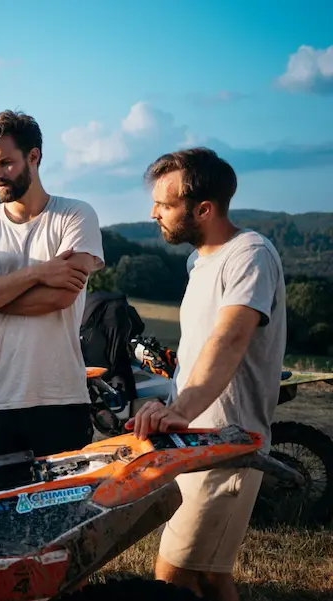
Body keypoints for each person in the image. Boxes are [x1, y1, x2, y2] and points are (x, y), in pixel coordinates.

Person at [128, 147, 286, 601]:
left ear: (203, 209)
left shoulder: (250, 254)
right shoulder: (199, 262)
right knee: (210, 578)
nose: (153, 212)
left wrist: (179, 409)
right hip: (197, 444)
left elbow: (231, 340)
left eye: (165, 204)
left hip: (227, 445)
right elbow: (204, 344)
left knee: (174, 577)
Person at [0, 110, 105, 461]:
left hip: (58, 396)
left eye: (6, 163)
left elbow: (62, 296)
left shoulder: (76, 215)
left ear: (34, 156)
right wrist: (37, 273)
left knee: (67, 513)